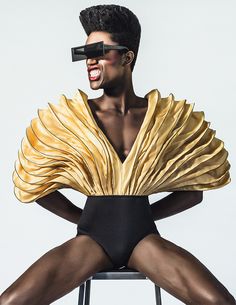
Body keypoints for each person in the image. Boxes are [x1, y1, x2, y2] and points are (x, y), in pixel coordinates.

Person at [1, 4, 235, 305]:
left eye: (100, 52)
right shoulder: (71, 119)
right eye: (86, 54)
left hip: (145, 241)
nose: (90, 62)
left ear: (127, 57)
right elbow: (36, 186)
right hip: (90, 240)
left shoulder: (164, 118)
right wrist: (81, 218)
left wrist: (144, 217)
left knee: (219, 302)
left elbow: (193, 192)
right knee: (11, 301)